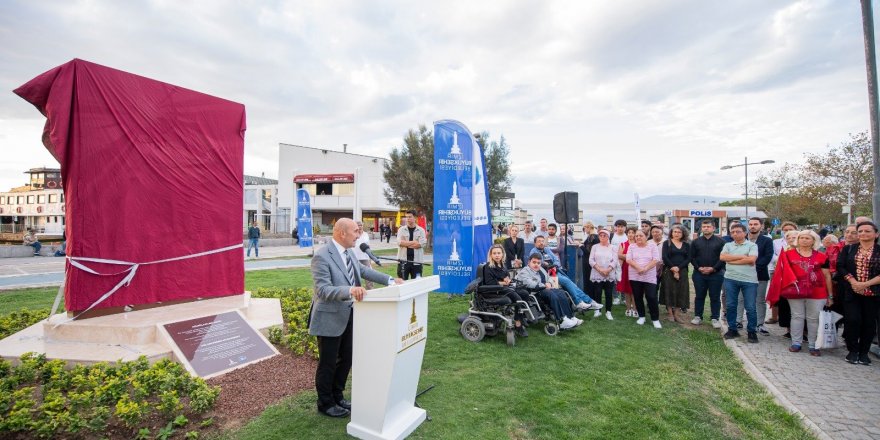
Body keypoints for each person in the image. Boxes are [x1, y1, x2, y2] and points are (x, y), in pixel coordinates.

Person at [308, 218, 403, 417]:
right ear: (342, 233)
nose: (358, 235)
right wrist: (350, 290)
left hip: (351, 315)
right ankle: (325, 403)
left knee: (346, 359)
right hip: (330, 319)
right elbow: (323, 290)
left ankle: (337, 396)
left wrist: (391, 280)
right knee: (328, 362)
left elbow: (363, 270)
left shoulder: (349, 252)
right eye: (355, 232)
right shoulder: (322, 256)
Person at [766, 230, 832, 356]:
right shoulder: (788, 254)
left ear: (814, 241)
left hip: (817, 291)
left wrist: (830, 295)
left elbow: (827, 276)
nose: (804, 240)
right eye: (801, 237)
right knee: (797, 316)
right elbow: (781, 272)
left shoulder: (822, 256)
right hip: (795, 291)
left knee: (813, 319)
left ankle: (814, 345)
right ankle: (796, 342)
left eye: (808, 238)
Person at [836, 221, 880, 365]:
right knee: (852, 320)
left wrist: (865, 284)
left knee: (869, 323)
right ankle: (852, 350)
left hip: (873, 293)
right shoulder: (849, 249)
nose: (863, 234)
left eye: (867, 231)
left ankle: (864, 353)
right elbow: (841, 266)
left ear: (876, 234)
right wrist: (854, 282)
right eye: (860, 231)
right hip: (852, 291)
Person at [529, 235, 603, 312]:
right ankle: (579, 302)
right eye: (539, 241)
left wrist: (554, 265)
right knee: (567, 281)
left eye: (542, 241)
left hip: (554, 270)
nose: (541, 243)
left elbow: (556, 259)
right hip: (545, 273)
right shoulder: (533, 252)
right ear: (535, 243)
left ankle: (590, 301)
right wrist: (549, 265)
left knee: (572, 284)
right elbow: (540, 264)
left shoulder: (546, 249)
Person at [516, 254, 583, 329]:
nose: (536, 265)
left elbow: (549, 278)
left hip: (546, 289)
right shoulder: (524, 271)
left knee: (561, 293)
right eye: (534, 262)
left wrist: (550, 283)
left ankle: (570, 317)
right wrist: (544, 285)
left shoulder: (541, 269)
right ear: (529, 262)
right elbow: (529, 283)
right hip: (535, 292)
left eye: (538, 263)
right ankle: (561, 320)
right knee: (552, 294)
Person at [721, 223, 759, 343]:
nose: (735, 234)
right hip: (730, 279)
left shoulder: (752, 245)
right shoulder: (727, 245)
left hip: (749, 280)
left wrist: (732, 260)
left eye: (738, 231)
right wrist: (742, 257)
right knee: (731, 305)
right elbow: (722, 258)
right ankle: (732, 329)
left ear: (745, 233)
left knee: (751, 307)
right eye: (733, 232)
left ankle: (752, 331)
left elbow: (752, 259)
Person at [736, 218, 774, 335]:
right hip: (741, 274)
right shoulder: (741, 239)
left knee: (759, 300)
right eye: (751, 224)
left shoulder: (766, 241)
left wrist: (753, 268)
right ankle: (738, 321)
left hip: (760, 275)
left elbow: (767, 257)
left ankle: (759, 324)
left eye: (755, 224)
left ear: (761, 226)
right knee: (740, 298)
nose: (753, 226)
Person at [484, 244, 529, 337]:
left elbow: (506, 275)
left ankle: (521, 316)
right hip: (495, 290)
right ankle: (518, 323)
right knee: (517, 298)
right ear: (491, 255)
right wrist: (504, 283)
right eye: (494, 253)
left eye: (499, 253)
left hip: (505, 288)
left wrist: (507, 279)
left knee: (524, 293)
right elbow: (490, 283)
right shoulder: (488, 266)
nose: (497, 255)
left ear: (502, 254)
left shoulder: (503, 265)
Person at [690, 219, 726, 328]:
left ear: (714, 228)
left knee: (714, 296)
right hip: (699, 274)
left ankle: (715, 318)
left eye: (708, 226)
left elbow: (723, 258)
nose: (706, 228)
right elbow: (692, 257)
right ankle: (698, 316)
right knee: (699, 296)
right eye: (704, 226)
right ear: (701, 228)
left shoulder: (721, 242)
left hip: (716, 274)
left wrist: (713, 269)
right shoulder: (696, 242)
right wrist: (698, 268)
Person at [627, 230, 662, 328]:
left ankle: (655, 319)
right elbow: (628, 259)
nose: (638, 237)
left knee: (651, 296)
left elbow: (656, 259)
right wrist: (639, 268)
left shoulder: (652, 246)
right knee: (637, 296)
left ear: (646, 236)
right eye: (636, 236)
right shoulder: (632, 246)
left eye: (640, 235)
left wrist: (645, 269)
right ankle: (641, 316)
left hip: (649, 275)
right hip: (635, 275)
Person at [768, 221, 798, 325]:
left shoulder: (800, 241)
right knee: (776, 293)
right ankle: (774, 316)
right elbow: (772, 255)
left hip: (794, 273)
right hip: (777, 270)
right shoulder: (776, 242)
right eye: (785, 230)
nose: (788, 232)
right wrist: (782, 258)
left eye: (790, 230)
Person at [661, 225, 690, 323]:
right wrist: (673, 268)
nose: (677, 234)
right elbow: (664, 257)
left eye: (679, 232)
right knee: (669, 291)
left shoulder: (686, 245)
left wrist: (678, 268)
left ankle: (677, 315)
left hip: (682, 271)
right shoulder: (667, 243)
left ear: (683, 234)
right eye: (675, 232)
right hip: (669, 270)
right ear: (671, 233)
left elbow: (688, 258)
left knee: (681, 292)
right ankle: (670, 314)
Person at [589, 228, 618, 320]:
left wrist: (608, 269)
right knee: (597, 292)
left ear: (608, 237)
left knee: (609, 293)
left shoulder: (613, 247)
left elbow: (615, 260)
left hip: (609, 274)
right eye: (600, 235)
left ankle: (608, 311)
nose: (602, 237)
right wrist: (600, 269)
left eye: (604, 235)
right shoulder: (595, 247)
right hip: (597, 273)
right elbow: (591, 260)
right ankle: (597, 310)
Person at [397, 211, 427, 280]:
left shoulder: (421, 230)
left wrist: (405, 243)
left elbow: (421, 244)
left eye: (410, 217)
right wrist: (414, 242)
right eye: (406, 217)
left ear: (415, 218)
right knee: (402, 284)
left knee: (417, 285)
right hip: (403, 262)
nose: (407, 219)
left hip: (417, 262)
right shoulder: (401, 230)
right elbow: (399, 242)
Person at [618, 226, 637, 316]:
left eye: (633, 233)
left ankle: (635, 309)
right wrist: (630, 256)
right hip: (625, 268)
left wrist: (626, 256)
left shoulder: (638, 244)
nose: (631, 235)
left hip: (635, 268)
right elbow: (619, 255)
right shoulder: (623, 244)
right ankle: (628, 308)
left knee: (634, 289)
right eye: (629, 233)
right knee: (626, 290)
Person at [610, 219, 629, 305]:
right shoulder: (611, 236)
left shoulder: (628, 236)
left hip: (625, 260)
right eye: (618, 226)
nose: (620, 228)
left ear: (625, 228)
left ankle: (624, 297)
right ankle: (616, 297)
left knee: (624, 278)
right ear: (615, 227)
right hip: (613, 260)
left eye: (622, 226)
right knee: (614, 279)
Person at [580, 222, 600, 299]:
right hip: (591, 261)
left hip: (588, 261)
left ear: (588, 227)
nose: (584, 230)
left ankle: (589, 297)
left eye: (585, 228)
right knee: (590, 279)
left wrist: (580, 245)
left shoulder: (592, 237)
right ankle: (591, 296)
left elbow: (588, 251)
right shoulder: (594, 236)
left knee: (588, 279)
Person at [352, 221, 373, 289]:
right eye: (358, 225)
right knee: (355, 276)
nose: (360, 226)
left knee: (369, 275)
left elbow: (368, 246)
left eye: (361, 225)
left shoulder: (366, 234)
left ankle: (370, 290)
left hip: (365, 258)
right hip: (355, 258)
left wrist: (370, 258)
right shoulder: (353, 234)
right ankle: (357, 291)